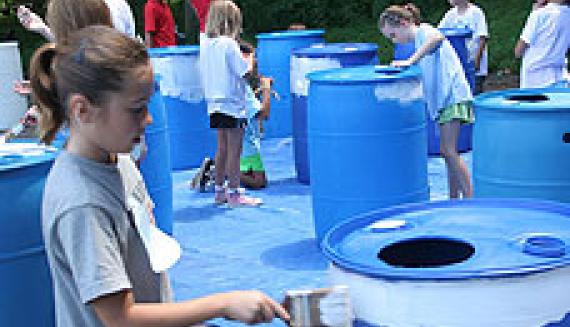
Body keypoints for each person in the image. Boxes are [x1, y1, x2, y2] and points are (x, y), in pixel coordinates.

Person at [32, 25, 289, 327]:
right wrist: (222, 304)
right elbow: (120, 317)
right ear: (82, 110)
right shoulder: (82, 204)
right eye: (137, 109)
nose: (149, 119)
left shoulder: (118, 160)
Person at [379, 3, 474, 199]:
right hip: (445, 100)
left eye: (393, 36)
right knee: (448, 152)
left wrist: (410, 60)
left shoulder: (424, 31)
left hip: (452, 96)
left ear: (404, 23)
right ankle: (454, 197)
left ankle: (470, 197)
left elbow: (438, 37)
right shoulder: (419, 40)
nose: (395, 42)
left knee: (448, 151)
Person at [200, 0, 262, 206]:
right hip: (232, 103)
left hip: (214, 103)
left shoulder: (206, 44)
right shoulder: (228, 44)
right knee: (235, 150)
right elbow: (245, 72)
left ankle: (219, 190)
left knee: (222, 148)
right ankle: (234, 192)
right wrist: (251, 59)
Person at [191, 40, 271, 191]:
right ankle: (217, 172)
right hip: (248, 145)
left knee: (226, 150)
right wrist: (266, 89)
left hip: (246, 141)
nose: (256, 62)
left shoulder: (237, 84)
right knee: (259, 181)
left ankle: (220, 171)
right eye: (253, 57)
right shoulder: (243, 86)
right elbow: (263, 114)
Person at [514, 0, 570, 88]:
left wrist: (533, 14)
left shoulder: (539, 14)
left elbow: (518, 51)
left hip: (534, 78)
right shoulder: (567, 15)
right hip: (560, 75)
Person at [438, 0, 489, 95]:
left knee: (475, 92)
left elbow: (482, 38)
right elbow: (439, 32)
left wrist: (477, 61)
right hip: (458, 63)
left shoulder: (476, 12)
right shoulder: (450, 14)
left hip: (473, 63)